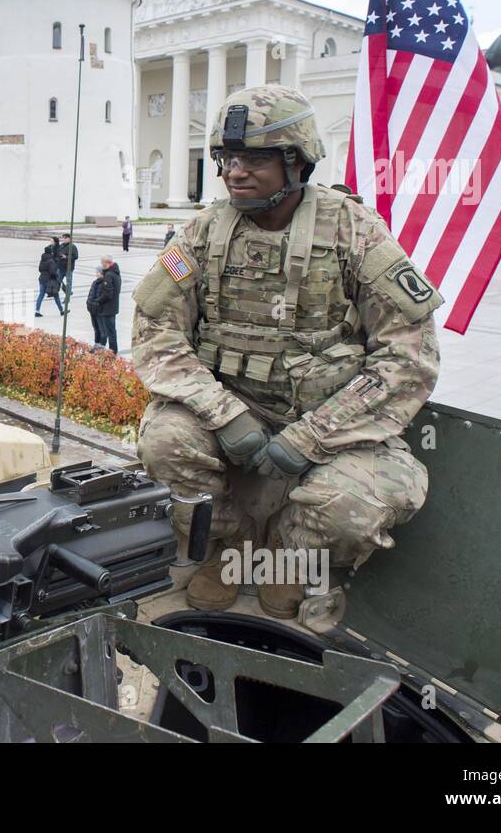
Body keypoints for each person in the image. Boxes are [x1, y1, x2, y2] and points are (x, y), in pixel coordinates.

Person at [132, 85, 441, 619]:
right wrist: (222, 413)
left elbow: (408, 355)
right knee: (164, 442)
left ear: (296, 162)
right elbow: (156, 327)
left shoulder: (354, 233)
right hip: (234, 412)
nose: (235, 172)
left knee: (357, 507)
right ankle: (230, 543)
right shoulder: (203, 234)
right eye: (228, 159)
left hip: (335, 422)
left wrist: (312, 434)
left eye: (256, 158)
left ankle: (289, 555)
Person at [97, 254, 121, 354]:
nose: (101, 265)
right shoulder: (116, 272)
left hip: (108, 308)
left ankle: (112, 352)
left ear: (106, 263)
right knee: (112, 331)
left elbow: (108, 294)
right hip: (113, 306)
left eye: (102, 263)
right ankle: (113, 350)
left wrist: (99, 300)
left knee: (110, 332)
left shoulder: (109, 275)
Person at [35, 240, 63, 317]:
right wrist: (56, 276)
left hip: (41, 279)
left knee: (41, 295)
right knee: (56, 295)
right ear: (51, 252)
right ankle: (61, 311)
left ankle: (37, 311)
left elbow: (40, 269)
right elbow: (53, 272)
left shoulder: (42, 259)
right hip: (49, 280)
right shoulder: (51, 261)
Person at [85, 266, 106, 346]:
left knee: (101, 329)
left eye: (97, 272)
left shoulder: (104, 283)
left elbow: (102, 297)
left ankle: (102, 345)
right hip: (92, 309)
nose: (96, 274)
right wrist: (89, 303)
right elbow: (90, 294)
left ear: (102, 273)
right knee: (95, 328)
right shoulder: (95, 282)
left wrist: (95, 304)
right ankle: (96, 343)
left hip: (99, 310)